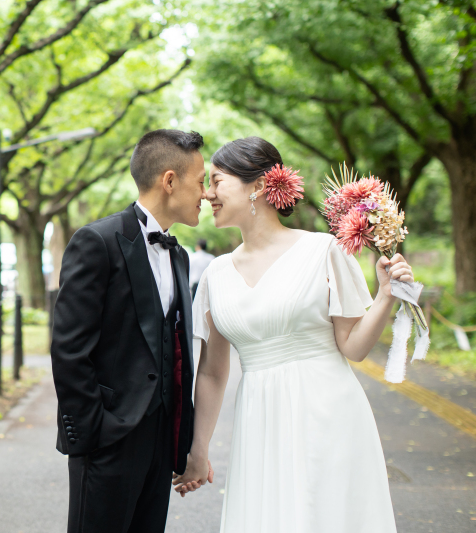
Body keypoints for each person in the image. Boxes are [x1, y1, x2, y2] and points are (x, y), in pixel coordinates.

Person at [174, 137, 412, 533]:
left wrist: (386, 296)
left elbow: (353, 347)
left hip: (327, 414)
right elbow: (213, 372)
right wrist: (198, 449)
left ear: (258, 186)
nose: (207, 194)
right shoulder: (216, 274)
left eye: (217, 181)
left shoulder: (323, 250)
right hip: (258, 423)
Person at [51, 129, 206, 533]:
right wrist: (95, 433)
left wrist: (182, 439)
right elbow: (69, 350)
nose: (205, 194)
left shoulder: (179, 255)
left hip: (162, 441)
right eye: (201, 181)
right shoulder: (97, 241)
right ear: (169, 180)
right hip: (108, 439)